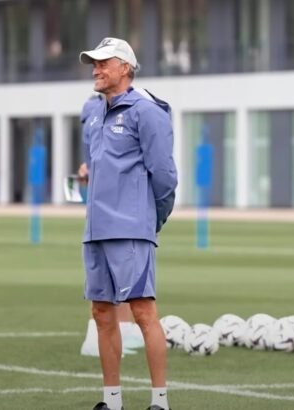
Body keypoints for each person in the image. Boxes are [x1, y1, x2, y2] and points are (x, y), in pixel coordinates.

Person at [79, 37, 177, 410]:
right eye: (94, 63)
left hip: (131, 229)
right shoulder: (94, 112)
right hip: (96, 230)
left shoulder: (147, 112)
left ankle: (159, 402)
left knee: (142, 312)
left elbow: (164, 176)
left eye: (103, 63)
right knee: (102, 313)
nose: (96, 69)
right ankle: (112, 401)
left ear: (125, 68)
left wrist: (152, 220)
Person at [78, 95, 146, 358]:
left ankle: (125, 328)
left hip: (122, 200)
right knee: (103, 275)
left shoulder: (128, 106)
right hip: (105, 202)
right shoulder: (95, 110)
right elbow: (94, 153)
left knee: (127, 268)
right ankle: (93, 336)